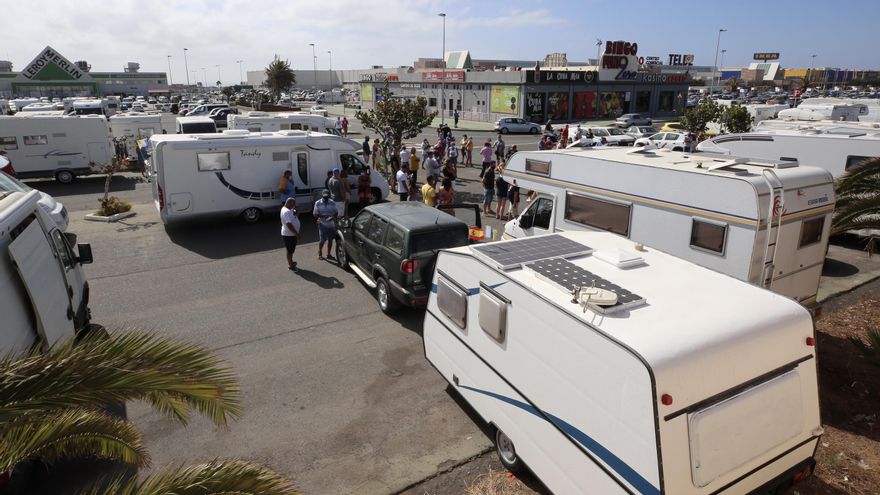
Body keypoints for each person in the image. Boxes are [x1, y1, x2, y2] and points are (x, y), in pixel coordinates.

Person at [313, 190, 338, 261]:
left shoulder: (332, 202)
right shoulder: (317, 203)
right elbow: (314, 214)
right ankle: (320, 253)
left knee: (330, 240)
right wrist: (323, 216)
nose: (326, 198)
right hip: (322, 224)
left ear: (329, 196)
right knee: (322, 240)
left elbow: (336, 212)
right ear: (322, 196)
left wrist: (333, 217)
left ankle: (328, 254)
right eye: (324, 197)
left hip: (331, 224)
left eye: (327, 197)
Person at [281, 198, 301, 272]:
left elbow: (295, 215)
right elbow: (289, 224)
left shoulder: (288, 209)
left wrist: (296, 211)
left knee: (291, 250)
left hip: (291, 235)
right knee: (290, 251)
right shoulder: (286, 212)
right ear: (290, 203)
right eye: (293, 204)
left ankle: (291, 262)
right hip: (289, 235)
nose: (294, 206)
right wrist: (296, 233)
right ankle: (291, 266)